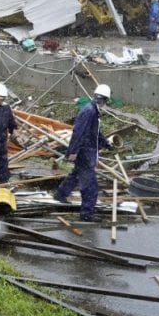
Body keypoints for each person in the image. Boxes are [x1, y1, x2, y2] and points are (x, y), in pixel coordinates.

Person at [53, 84, 114, 222]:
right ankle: (87, 213)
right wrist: (73, 151)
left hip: (86, 152)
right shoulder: (89, 111)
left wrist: (105, 143)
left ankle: (60, 194)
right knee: (90, 185)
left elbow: (94, 132)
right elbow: (78, 132)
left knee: (75, 175)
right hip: (85, 153)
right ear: (104, 100)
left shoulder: (93, 110)